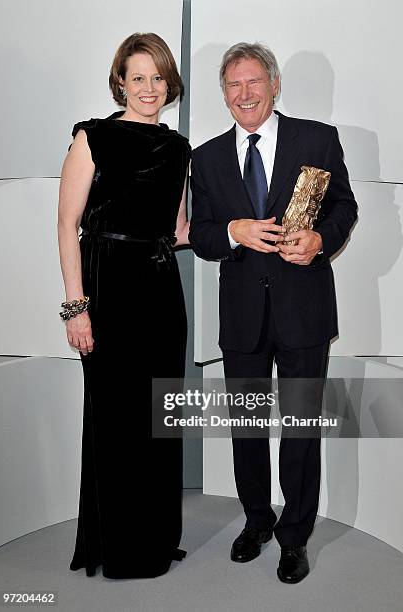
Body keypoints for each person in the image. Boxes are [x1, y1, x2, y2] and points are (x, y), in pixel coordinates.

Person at [189, 42, 357, 584]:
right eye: (233, 85)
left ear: (275, 84)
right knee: (247, 427)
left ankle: (295, 536)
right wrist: (236, 231)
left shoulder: (317, 139)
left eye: (254, 81)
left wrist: (319, 240)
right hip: (241, 318)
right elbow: (205, 235)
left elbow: (344, 207)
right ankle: (257, 521)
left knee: (302, 428)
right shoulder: (206, 157)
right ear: (224, 94)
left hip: (304, 312)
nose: (244, 93)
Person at [57, 32, 191, 579]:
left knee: (160, 419)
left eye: (158, 77)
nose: (149, 88)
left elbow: (179, 230)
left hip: (160, 291)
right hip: (107, 288)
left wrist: (244, 231)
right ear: (121, 82)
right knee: (116, 419)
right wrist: (76, 308)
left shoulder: (179, 148)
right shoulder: (92, 137)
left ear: (169, 84)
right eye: (138, 77)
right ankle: (117, 547)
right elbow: (67, 226)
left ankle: (156, 540)